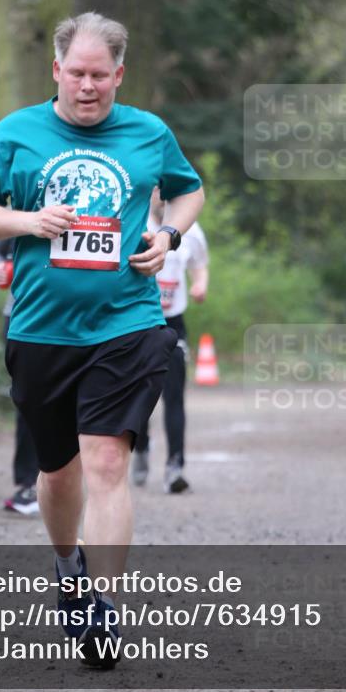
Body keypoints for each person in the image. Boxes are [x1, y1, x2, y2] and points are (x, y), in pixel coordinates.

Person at [0, 11, 204, 668]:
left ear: (118, 74)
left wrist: (167, 236)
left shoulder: (148, 133)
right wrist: (28, 220)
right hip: (39, 329)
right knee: (57, 470)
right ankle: (67, 565)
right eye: (76, 74)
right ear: (56, 71)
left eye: (100, 75)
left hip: (126, 322)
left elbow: (188, 191)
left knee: (105, 461)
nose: (87, 86)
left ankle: (102, 608)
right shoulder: (16, 133)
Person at [132, 187, 209, 494]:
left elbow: (200, 263)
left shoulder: (191, 230)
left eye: (166, 190)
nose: (161, 195)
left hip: (173, 323)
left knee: (174, 395)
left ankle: (175, 465)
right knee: (138, 396)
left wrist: (200, 284)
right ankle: (140, 448)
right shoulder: (135, 224)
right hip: (138, 323)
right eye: (155, 189)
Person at [0, 237, 40, 515]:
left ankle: (71, 479)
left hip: (75, 313)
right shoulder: (17, 209)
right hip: (21, 314)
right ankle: (28, 484)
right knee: (27, 398)